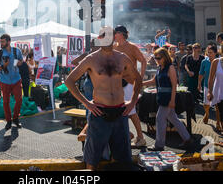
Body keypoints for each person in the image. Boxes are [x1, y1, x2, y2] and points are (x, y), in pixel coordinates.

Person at [65, 26, 142, 171]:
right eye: (104, 37)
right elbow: (69, 81)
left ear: (114, 38)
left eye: (110, 37)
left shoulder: (122, 57)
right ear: (100, 39)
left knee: (123, 158)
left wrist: (132, 102)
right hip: (99, 112)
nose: (108, 40)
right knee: (92, 160)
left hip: (120, 112)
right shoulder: (91, 59)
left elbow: (137, 79)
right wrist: (87, 104)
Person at [142, 48, 193, 151]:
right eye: (155, 58)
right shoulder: (159, 68)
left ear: (165, 57)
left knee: (160, 119)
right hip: (162, 97)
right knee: (173, 119)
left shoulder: (170, 68)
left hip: (168, 98)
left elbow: (174, 85)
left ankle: (159, 145)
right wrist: (141, 83)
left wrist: (172, 100)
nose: (156, 60)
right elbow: (154, 81)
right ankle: (187, 138)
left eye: (158, 58)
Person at [113, 25, 147, 147]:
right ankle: (128, 134)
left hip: (129, 83)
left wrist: (140, 78)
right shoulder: (113, 47)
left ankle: (141, 137)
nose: (113, 35)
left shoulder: (132, 47)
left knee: (130, 111)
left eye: (115, 33)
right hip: (116, 83)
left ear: (121, 34)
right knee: (116, 109)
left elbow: (143, 60)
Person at [0, 34, 23, 130]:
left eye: (3, 41)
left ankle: (16, 118)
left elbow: (21, 61)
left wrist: (19, 63)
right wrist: (3, 66)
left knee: (19, 99)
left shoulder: (16, 51)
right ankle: (8, 121)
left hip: (16, 79)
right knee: (6, 102)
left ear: (9, 41)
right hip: (4, 80)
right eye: (0, 41)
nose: (1, 43)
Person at [198, 44, 220, 128]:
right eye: (208, 52)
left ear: (215, 53)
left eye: (211, 52)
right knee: (206, 104)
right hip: (207, 85)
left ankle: (218, 123)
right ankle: (207, 114)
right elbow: (201, 73)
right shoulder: (204, 61)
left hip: (217, 86)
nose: (209, 54)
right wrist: (199, 84)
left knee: (218, 106)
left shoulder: (219, 61)